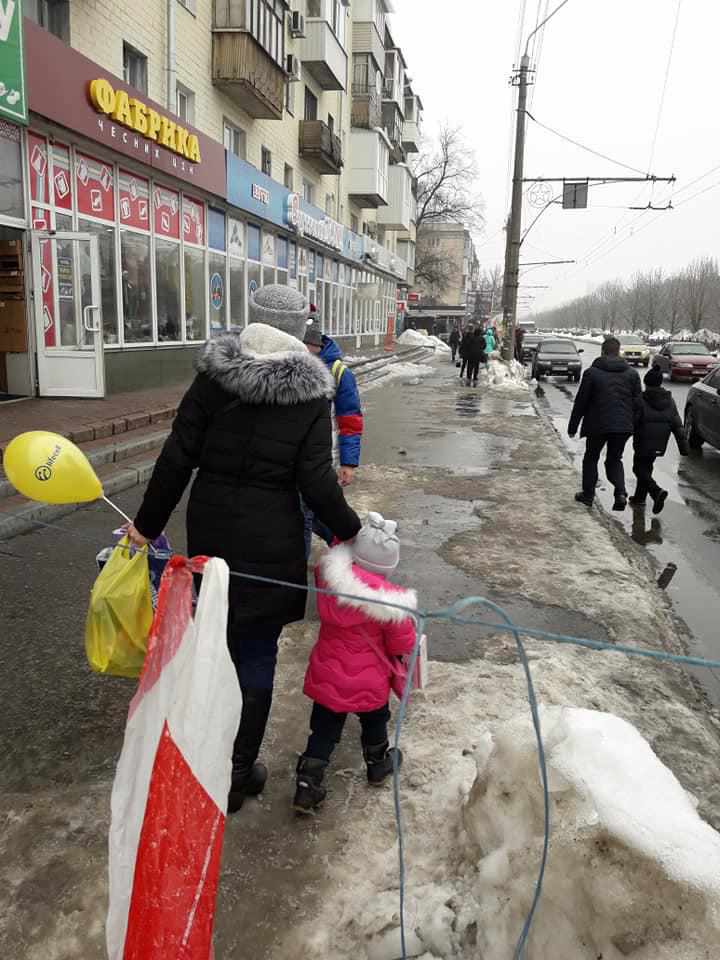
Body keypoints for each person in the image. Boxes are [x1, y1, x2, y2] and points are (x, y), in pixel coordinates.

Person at [126, 284, 362, 813]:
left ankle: (206, 758)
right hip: (271, 541)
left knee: (213, 640)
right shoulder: (308, 395)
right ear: (300, 329)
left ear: (250, 321)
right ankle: (236, 773)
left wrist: (146, 525)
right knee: (256, 654)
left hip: (212, 533)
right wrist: (352, 533)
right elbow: (317, 482)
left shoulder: (212, 378)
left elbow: (176, 457)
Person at [293, 512, 417, 814]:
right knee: (375, 720)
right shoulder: (391, 604)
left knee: (323, 729)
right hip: (369, 679)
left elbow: (335, 550)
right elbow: (403, 644)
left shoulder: (329, 579)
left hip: (329, 672)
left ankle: (308, 784)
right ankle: (377, 764)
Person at [303, 321, 364, 552]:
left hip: (321, 457)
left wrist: (348, 463)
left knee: (307, 511)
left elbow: (350, 419)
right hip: (294, 454)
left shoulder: (338, 372)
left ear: (314, 344)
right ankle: (339, 540)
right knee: (305, 507)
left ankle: (340, 542)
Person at [568, 336, 642, 511]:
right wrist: (634, 425)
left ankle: (587, 495)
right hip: (623, 426)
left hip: (597, 425)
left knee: (591, 458)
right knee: (615, 459)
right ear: (618, 351)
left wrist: (573, 427)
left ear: (602, 351)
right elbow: (638, 404)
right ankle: (621, 493)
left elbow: (581, 402)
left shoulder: (592, 373)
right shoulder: (632, 374)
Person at [630, 364, 688, 514]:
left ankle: (656, 492)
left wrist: (622, 437)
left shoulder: (641, 399)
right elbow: (677, 423)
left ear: (647, 383)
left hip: (643, 440)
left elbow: (633, 421)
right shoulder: (669, 400)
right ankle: (639, 498)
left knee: (638, 468)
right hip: (660, 441)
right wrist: (684, 447)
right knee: (646, 467)